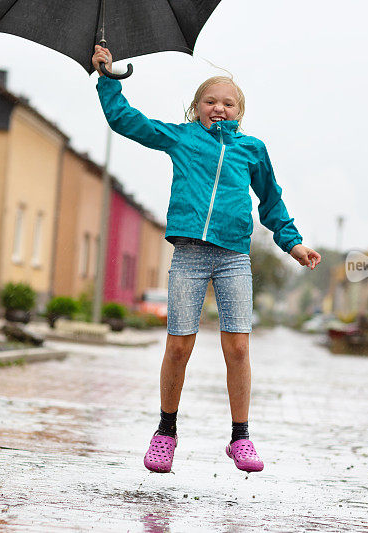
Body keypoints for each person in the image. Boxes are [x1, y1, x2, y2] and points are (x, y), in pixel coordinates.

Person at [92, 45, 321, 473]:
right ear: (195, 109)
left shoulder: (252, 150)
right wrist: (108, 78)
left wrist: (294, 245)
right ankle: (165, 432)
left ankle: (240, 438)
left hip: (234, 257)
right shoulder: (181, 137)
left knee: (237, 346)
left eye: (227, 103)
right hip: (191, 257)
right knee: (179, 346)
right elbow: (127, 121)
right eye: (210, 101)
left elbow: (271, 204)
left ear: (239, 112)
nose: (218, 107)